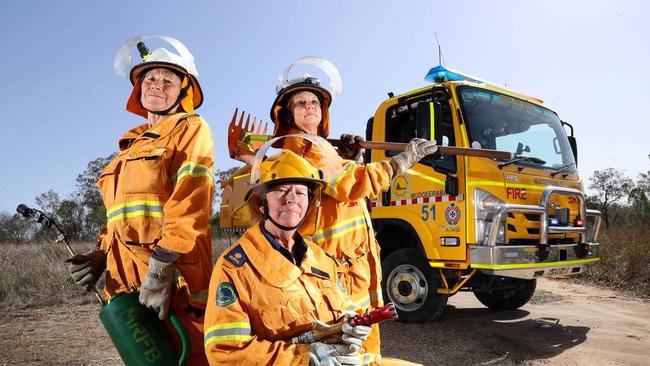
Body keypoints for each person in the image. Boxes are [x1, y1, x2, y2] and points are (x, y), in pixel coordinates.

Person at [268, 57, 438, 364]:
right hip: (334, 271)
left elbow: (341, 195)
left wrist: (349, 156)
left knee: (361, 346)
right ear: (288, 113)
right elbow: (350, 185)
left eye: (315, 102)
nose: (310, 108)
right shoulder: (300, 149)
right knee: (344, 349)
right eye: (301, 102)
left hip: (353, 266)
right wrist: (402, 161)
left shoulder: (321, 148)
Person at [66, 36, 213, 366]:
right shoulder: (129, 148)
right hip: (127, 287)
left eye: (168, 80)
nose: (157, 85)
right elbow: (121, 217)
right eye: (150, 78)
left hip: (173, 282)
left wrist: (161, 268)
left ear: (183, 91)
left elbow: (190, 200)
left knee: (189, 358)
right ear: (138, 89)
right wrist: (100, 255)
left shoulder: (191, 128)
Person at [204, 149, 371, 365]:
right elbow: (224, 351)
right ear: (262, 203)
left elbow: (345, 305)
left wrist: (352, 325)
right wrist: (302, 359)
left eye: (300, 193)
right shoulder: (233, 268)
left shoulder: (320, 258)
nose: (292, 199)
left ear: (309, 203)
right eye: (281, 190)